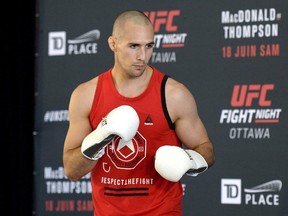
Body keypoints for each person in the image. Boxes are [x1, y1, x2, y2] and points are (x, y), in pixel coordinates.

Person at [63, 9, 215, 216]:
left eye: (149, 46)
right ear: (113, 44)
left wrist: (189, 161)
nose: (142, 56)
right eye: (133, 46)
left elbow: (206, 149)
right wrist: (100, 137)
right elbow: (72, 170)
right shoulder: (86, 95)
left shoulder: (174, 95)